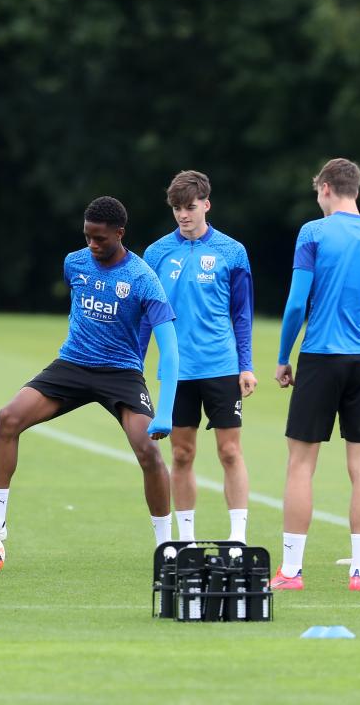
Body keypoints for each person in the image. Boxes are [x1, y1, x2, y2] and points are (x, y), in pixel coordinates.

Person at [0, 196, 179, 550]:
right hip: (72, 364)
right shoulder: (74, 263)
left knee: (148, 451)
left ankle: (166, 545)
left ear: (120, 233)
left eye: (100, 238)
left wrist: (165, 412)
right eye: (87, 236)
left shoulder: (143, 278)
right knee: (8, 418)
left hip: (121, 372)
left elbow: (171, 349)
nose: (92, 244)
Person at [270, 158, 360, 592]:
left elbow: (295, 305)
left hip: (321, 356)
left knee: (300, 464)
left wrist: (282, 357)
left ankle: (291, 571)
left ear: (326, 188)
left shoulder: (313, 233)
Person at [139, 170, 255, 543]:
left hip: (221, 366)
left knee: (230, 452)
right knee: (183, 454)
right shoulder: (156, 253)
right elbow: (144, 314)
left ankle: (237, 538)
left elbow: (242, 313)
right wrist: (134, 361)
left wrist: (246, 365)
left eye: (190, 207)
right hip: (176, 371)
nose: (183, 215)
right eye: (177, 208)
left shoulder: (231, 252)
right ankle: (185, 539)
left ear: (206, 204)